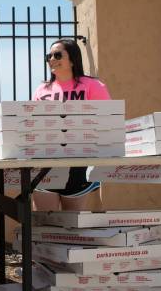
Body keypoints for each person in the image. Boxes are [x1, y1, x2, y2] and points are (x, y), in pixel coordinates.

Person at [31, 39, 111, 211]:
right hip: (47, 164)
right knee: (45, 226)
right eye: (49, 56)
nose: (52, 59)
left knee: (75, 229)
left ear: (73, 59)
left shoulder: (93, 86)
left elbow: (108, 122)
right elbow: (34, 125)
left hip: (81, 165)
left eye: (58, 55)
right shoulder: (41, 90)